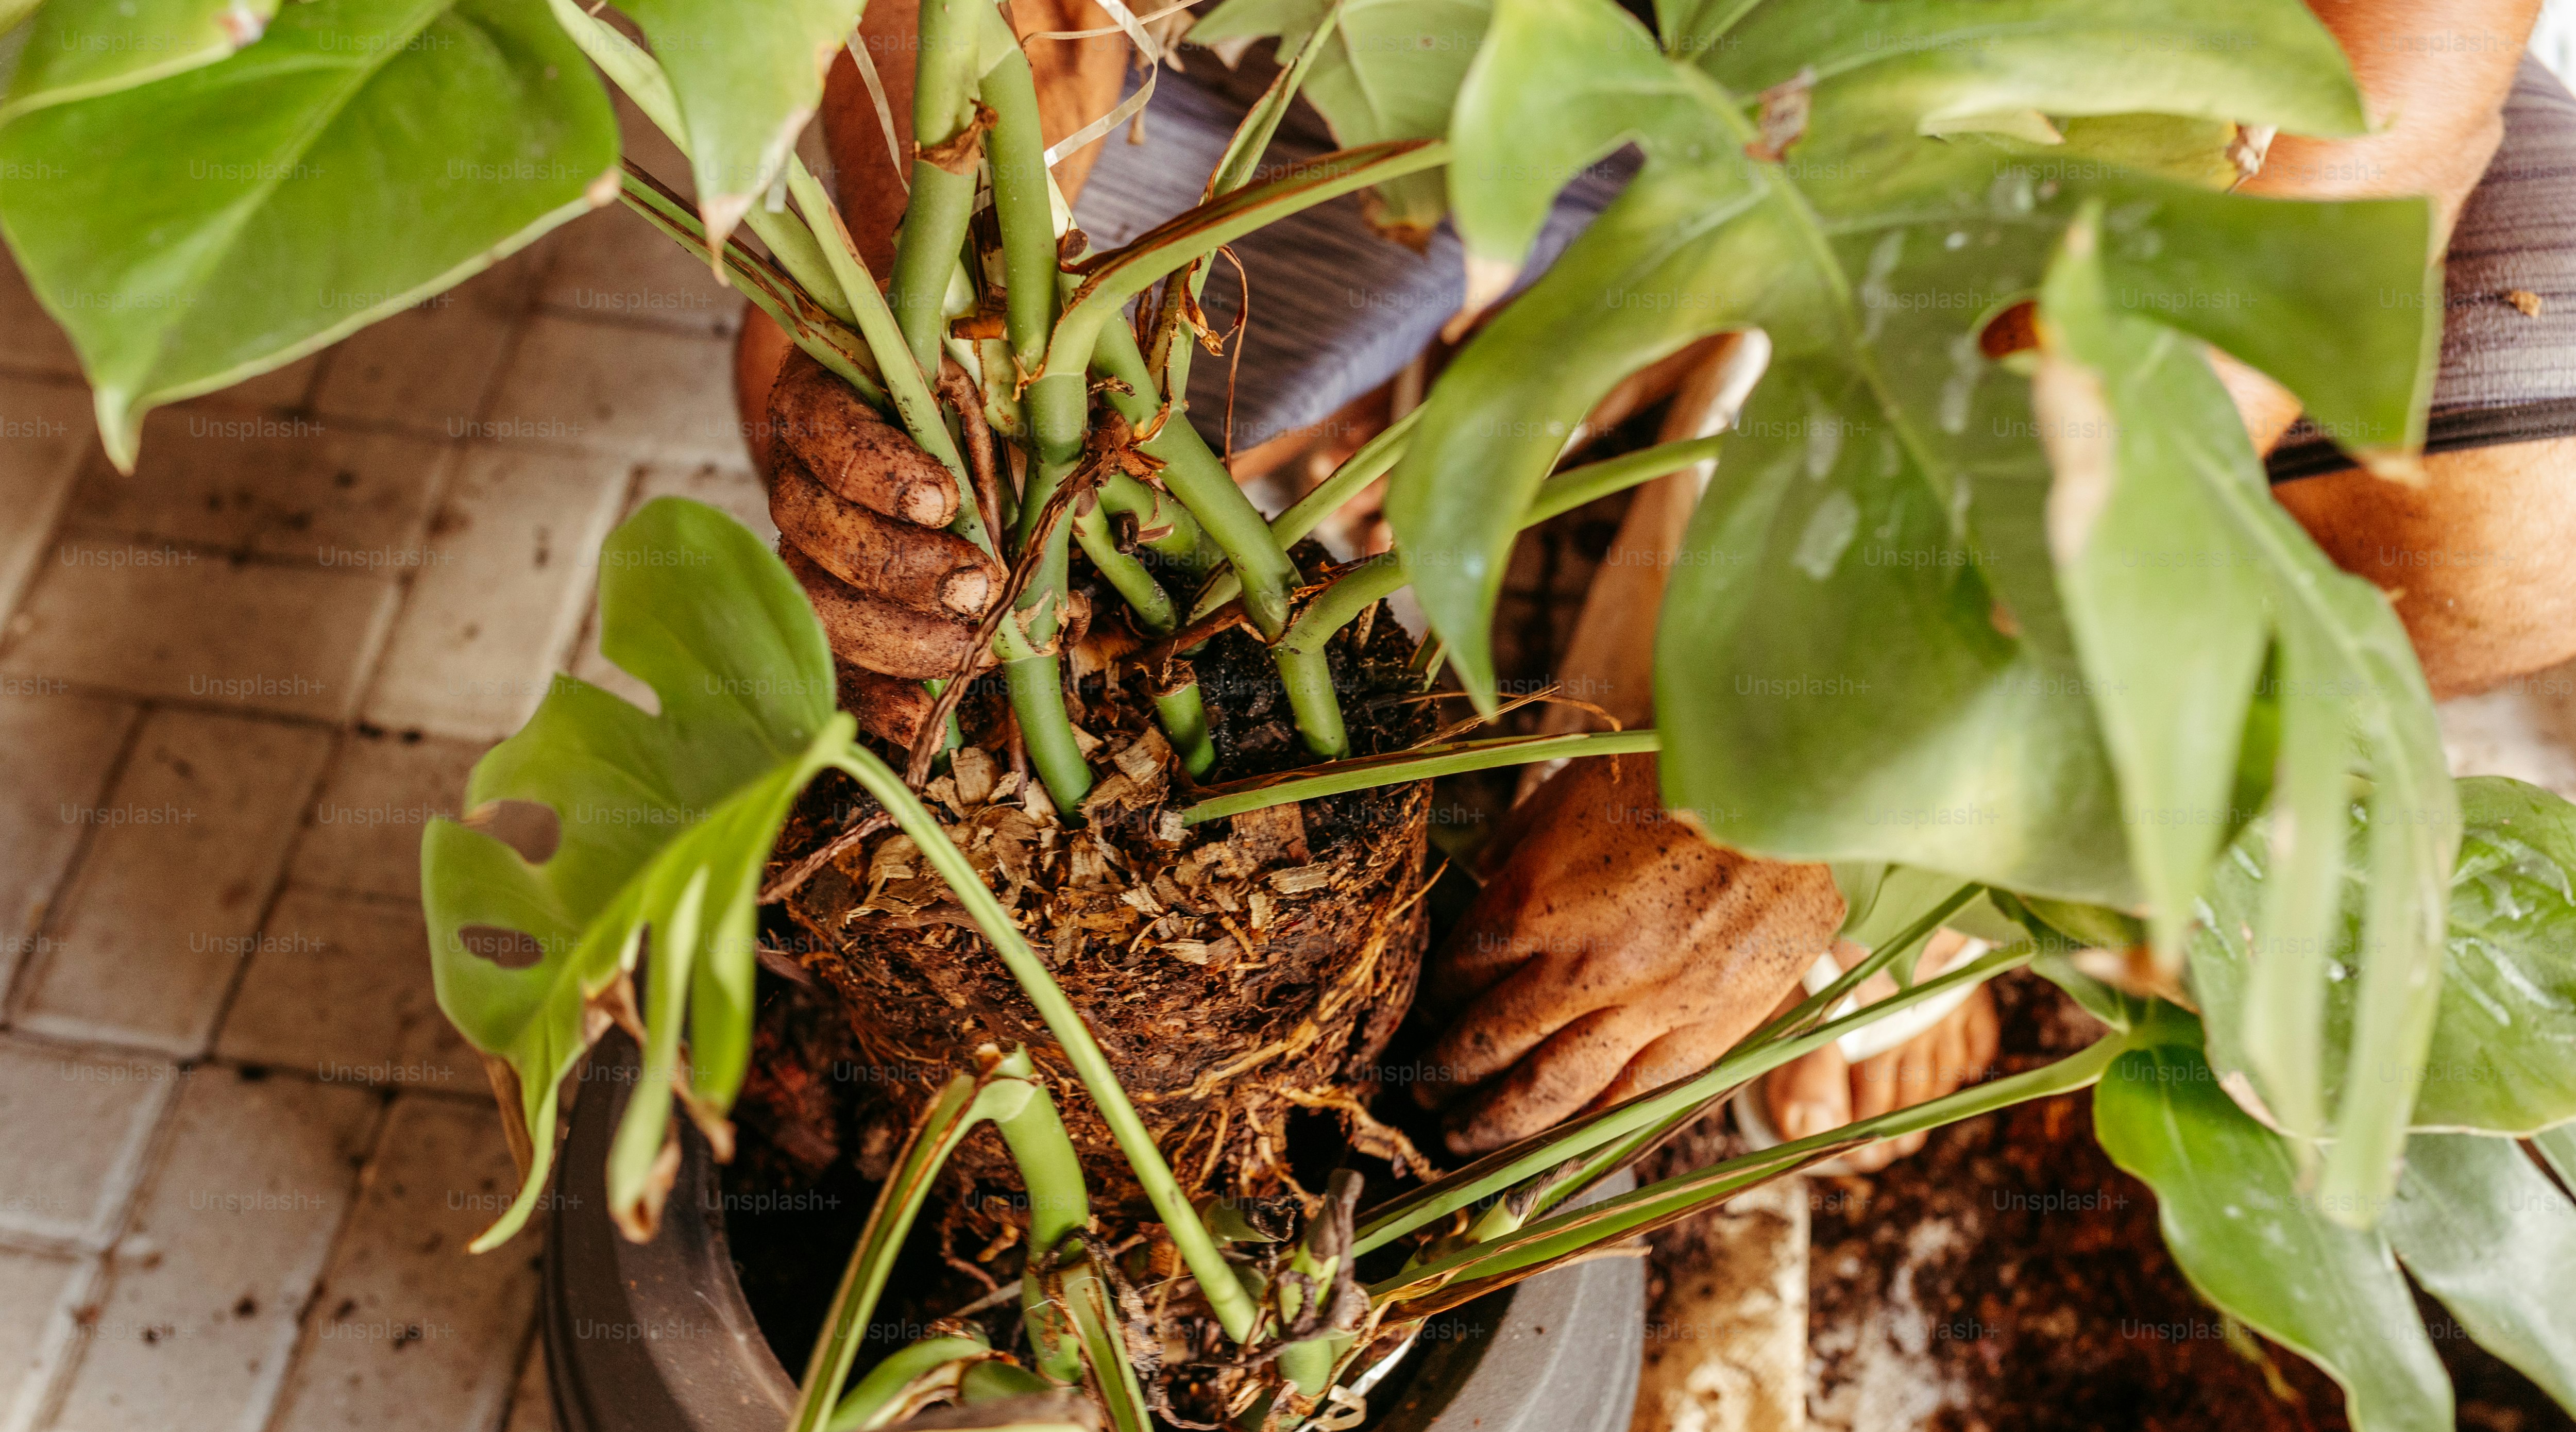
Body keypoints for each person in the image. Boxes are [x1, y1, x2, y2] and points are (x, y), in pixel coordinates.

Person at [743, 0, 2576, 1163]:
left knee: (2511, 519)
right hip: (1350, 42)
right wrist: (963, 191)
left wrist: (1841, 768)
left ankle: (1742, 438)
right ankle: (1557, 341)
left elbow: (2371, 133)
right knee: (950, 456)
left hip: (1955, 123)